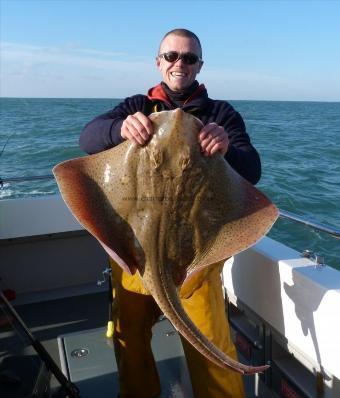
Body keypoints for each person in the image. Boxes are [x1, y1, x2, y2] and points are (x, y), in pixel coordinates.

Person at [80, 28, 261, 398]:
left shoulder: (220, 114)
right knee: (129, 335)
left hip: (195, 258)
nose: (180, 63)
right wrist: (119, 128)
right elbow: (88, 137)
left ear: (199, 65)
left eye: (189, 58)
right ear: (159, 62)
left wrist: (226, 147)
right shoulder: (136, 105)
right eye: (172, 56)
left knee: (209, 342)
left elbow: (252, 170)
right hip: (134, 253)